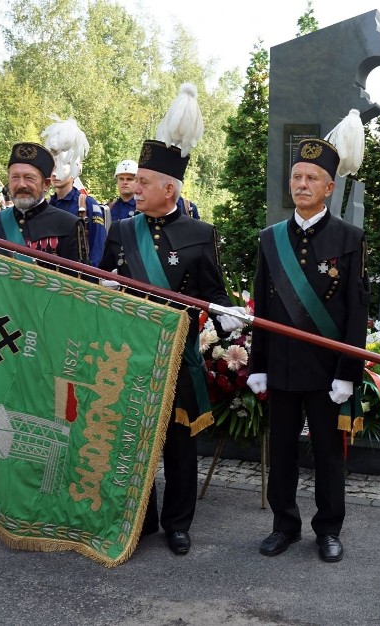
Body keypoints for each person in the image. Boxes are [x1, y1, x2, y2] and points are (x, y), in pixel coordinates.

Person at [99, 84, 244, 556]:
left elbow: (213, 292)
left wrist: (229, 319)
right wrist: (107, 289)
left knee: (179, 445)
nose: (134, 190)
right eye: (135, 181)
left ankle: (179, 523)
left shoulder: (200, 234)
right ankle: (142, 519)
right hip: (131, 352)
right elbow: (104, 280)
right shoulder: (121, 230)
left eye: (143, 183)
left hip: (178, 354)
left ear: (169, 188)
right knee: (135, 441)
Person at [248, 130, 370, 563]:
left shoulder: (349, 239)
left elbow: (356, 314)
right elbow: (261, 307)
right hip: (279, 366)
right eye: (297, 176)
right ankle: (284, 526)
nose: (301, 184)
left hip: (325, 371)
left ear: (329, 188)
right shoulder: (270, 239)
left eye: (311, 178)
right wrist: (256, 364)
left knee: (327, 454)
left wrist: (347, 373)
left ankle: (328, 529)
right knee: (280, 450)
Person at [0, 142, 88, 264]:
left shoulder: (69, 225)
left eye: (29, 178)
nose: (21, 184)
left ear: (46, 184)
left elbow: (79, 280)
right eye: (15, 177)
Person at [42, 117, 107, 266]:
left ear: (75, 169)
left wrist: (90, 278)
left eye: (63, 166)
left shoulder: (87, 204)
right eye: (53, 167)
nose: (54, 173)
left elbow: (98, 246)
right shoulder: (47, 205)